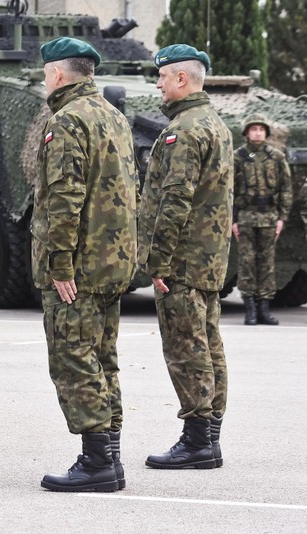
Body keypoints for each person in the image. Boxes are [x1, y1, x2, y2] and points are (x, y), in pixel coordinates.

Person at [32, 37, 138, 492]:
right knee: (103, 357)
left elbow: (64, 197)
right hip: (112, 262)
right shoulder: (114, 116)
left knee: (73, 357)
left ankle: (97, 462)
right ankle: (109, 454)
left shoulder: (68, 120)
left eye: (45, 73)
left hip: (80, 264)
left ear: (57, 74)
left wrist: (59, 265)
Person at [139, 44, 233, 470]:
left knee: (186, 348)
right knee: (208, 344)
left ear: (181, 79)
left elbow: (174, 201)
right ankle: (209, 437)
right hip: (209, 258)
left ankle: (197, 441)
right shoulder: (215, 123)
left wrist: (158, 261)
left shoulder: (183, 131)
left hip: (183, 259)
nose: (157, 84)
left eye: (162, 76)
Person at [233, 113, 292, 326]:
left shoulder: (276, 156)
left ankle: (264, 308)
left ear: (266, 133)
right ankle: (249, 309)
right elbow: (229, 189)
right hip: (246, 217)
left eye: (261, 129)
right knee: (247, 262)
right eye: (253, 129)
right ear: (247, 133)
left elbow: (285, 188)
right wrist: (233, 219)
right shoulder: (237, 157)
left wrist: (281, 218)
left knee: (266, 263)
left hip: (269, 216)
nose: (257, 132)